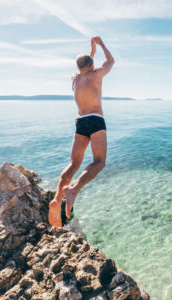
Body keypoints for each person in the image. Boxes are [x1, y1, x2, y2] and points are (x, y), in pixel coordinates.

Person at [48, 36, 115, 227]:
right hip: (95, 119)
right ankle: (74, 189)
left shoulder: (75, 79)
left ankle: (57, 197)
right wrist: (101, 44)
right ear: (93, 65)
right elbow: (111, 61)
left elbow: (85, 64)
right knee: (99, 162)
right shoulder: (96, 75)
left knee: (73, 164)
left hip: (80, 122)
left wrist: (90, 51)